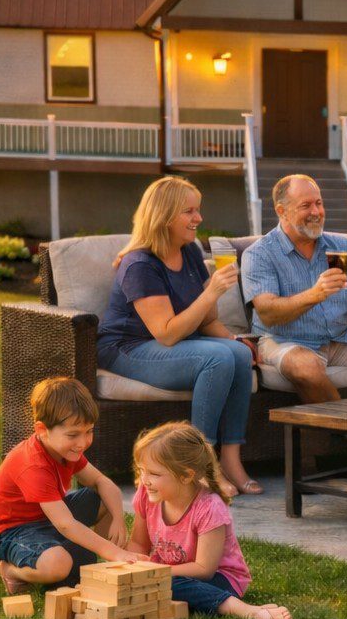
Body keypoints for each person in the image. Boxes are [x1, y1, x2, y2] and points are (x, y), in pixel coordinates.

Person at [96, 176, 260, 493]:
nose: (198, 218)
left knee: (238, 355)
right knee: (216, 359)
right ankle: (200, 466)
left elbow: (207, 321)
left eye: (198, 209)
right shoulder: (140, 264)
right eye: (189, 211)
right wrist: (211, 292)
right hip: (128, 348)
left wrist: (237, 341)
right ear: (164, 216)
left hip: (171, 343)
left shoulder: (190, 252)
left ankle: (231, 460)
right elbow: (167, 334)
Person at [241, 174, 347, 471]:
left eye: (319, 203)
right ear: (281, 211)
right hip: (285, 340)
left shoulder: (338, 247)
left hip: (341, 336)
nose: (316, 212)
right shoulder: (260, 254)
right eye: (306, 205)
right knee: (304, 365)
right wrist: (315, 294)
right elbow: (268, 312)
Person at [0, 377, 137, 594]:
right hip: (13, 530)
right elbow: (65, 524)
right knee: (58, 564)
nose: (83, 443)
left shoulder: (65, 450)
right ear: (42, 430)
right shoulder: (33, 465)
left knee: (105, 498)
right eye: (73, 435)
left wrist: (118, 518)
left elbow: (102, 482)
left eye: (89, 431)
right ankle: (11, 571)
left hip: (49, 517)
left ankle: (107, 565)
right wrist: (115, 551)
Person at [127, 422, 292, 619]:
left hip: (220, 578)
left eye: (154, 473)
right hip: (167, 573)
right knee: (151, 586)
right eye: (141, 470)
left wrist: (155, 572)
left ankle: (248, 611)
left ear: (186, 475)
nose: (144, 480)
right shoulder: (146, 495)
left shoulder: (209, 507)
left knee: (169, 584)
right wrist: (131, 569)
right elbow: (138, 543)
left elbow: (204, 569)